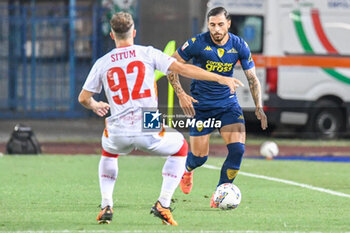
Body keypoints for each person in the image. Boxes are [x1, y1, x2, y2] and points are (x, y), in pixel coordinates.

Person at [78, 12, 243, 225]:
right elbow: (183, 69)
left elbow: (83, 98)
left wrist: (95, 105)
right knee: (181, 148)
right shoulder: (147, 53)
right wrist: (220, 77)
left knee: (109, 153)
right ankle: (163, 204)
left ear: (112, 35)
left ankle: (106, 205)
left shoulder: (103, 62)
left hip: (117, 123)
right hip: (148, 120)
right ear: (134, 32)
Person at [167, 7, 268, 207]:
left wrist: (259, 106)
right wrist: (181, 94)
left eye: (220, 24)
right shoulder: (197, 43)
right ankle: (187, 170)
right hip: (201, 108)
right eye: (212, 25)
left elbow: (252, 78)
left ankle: (219, 194)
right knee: (199, 158)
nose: (216, 29)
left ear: (228, 24)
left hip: (228, 106)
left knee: (238, 150)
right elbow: (172, 64)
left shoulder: (239, 45)